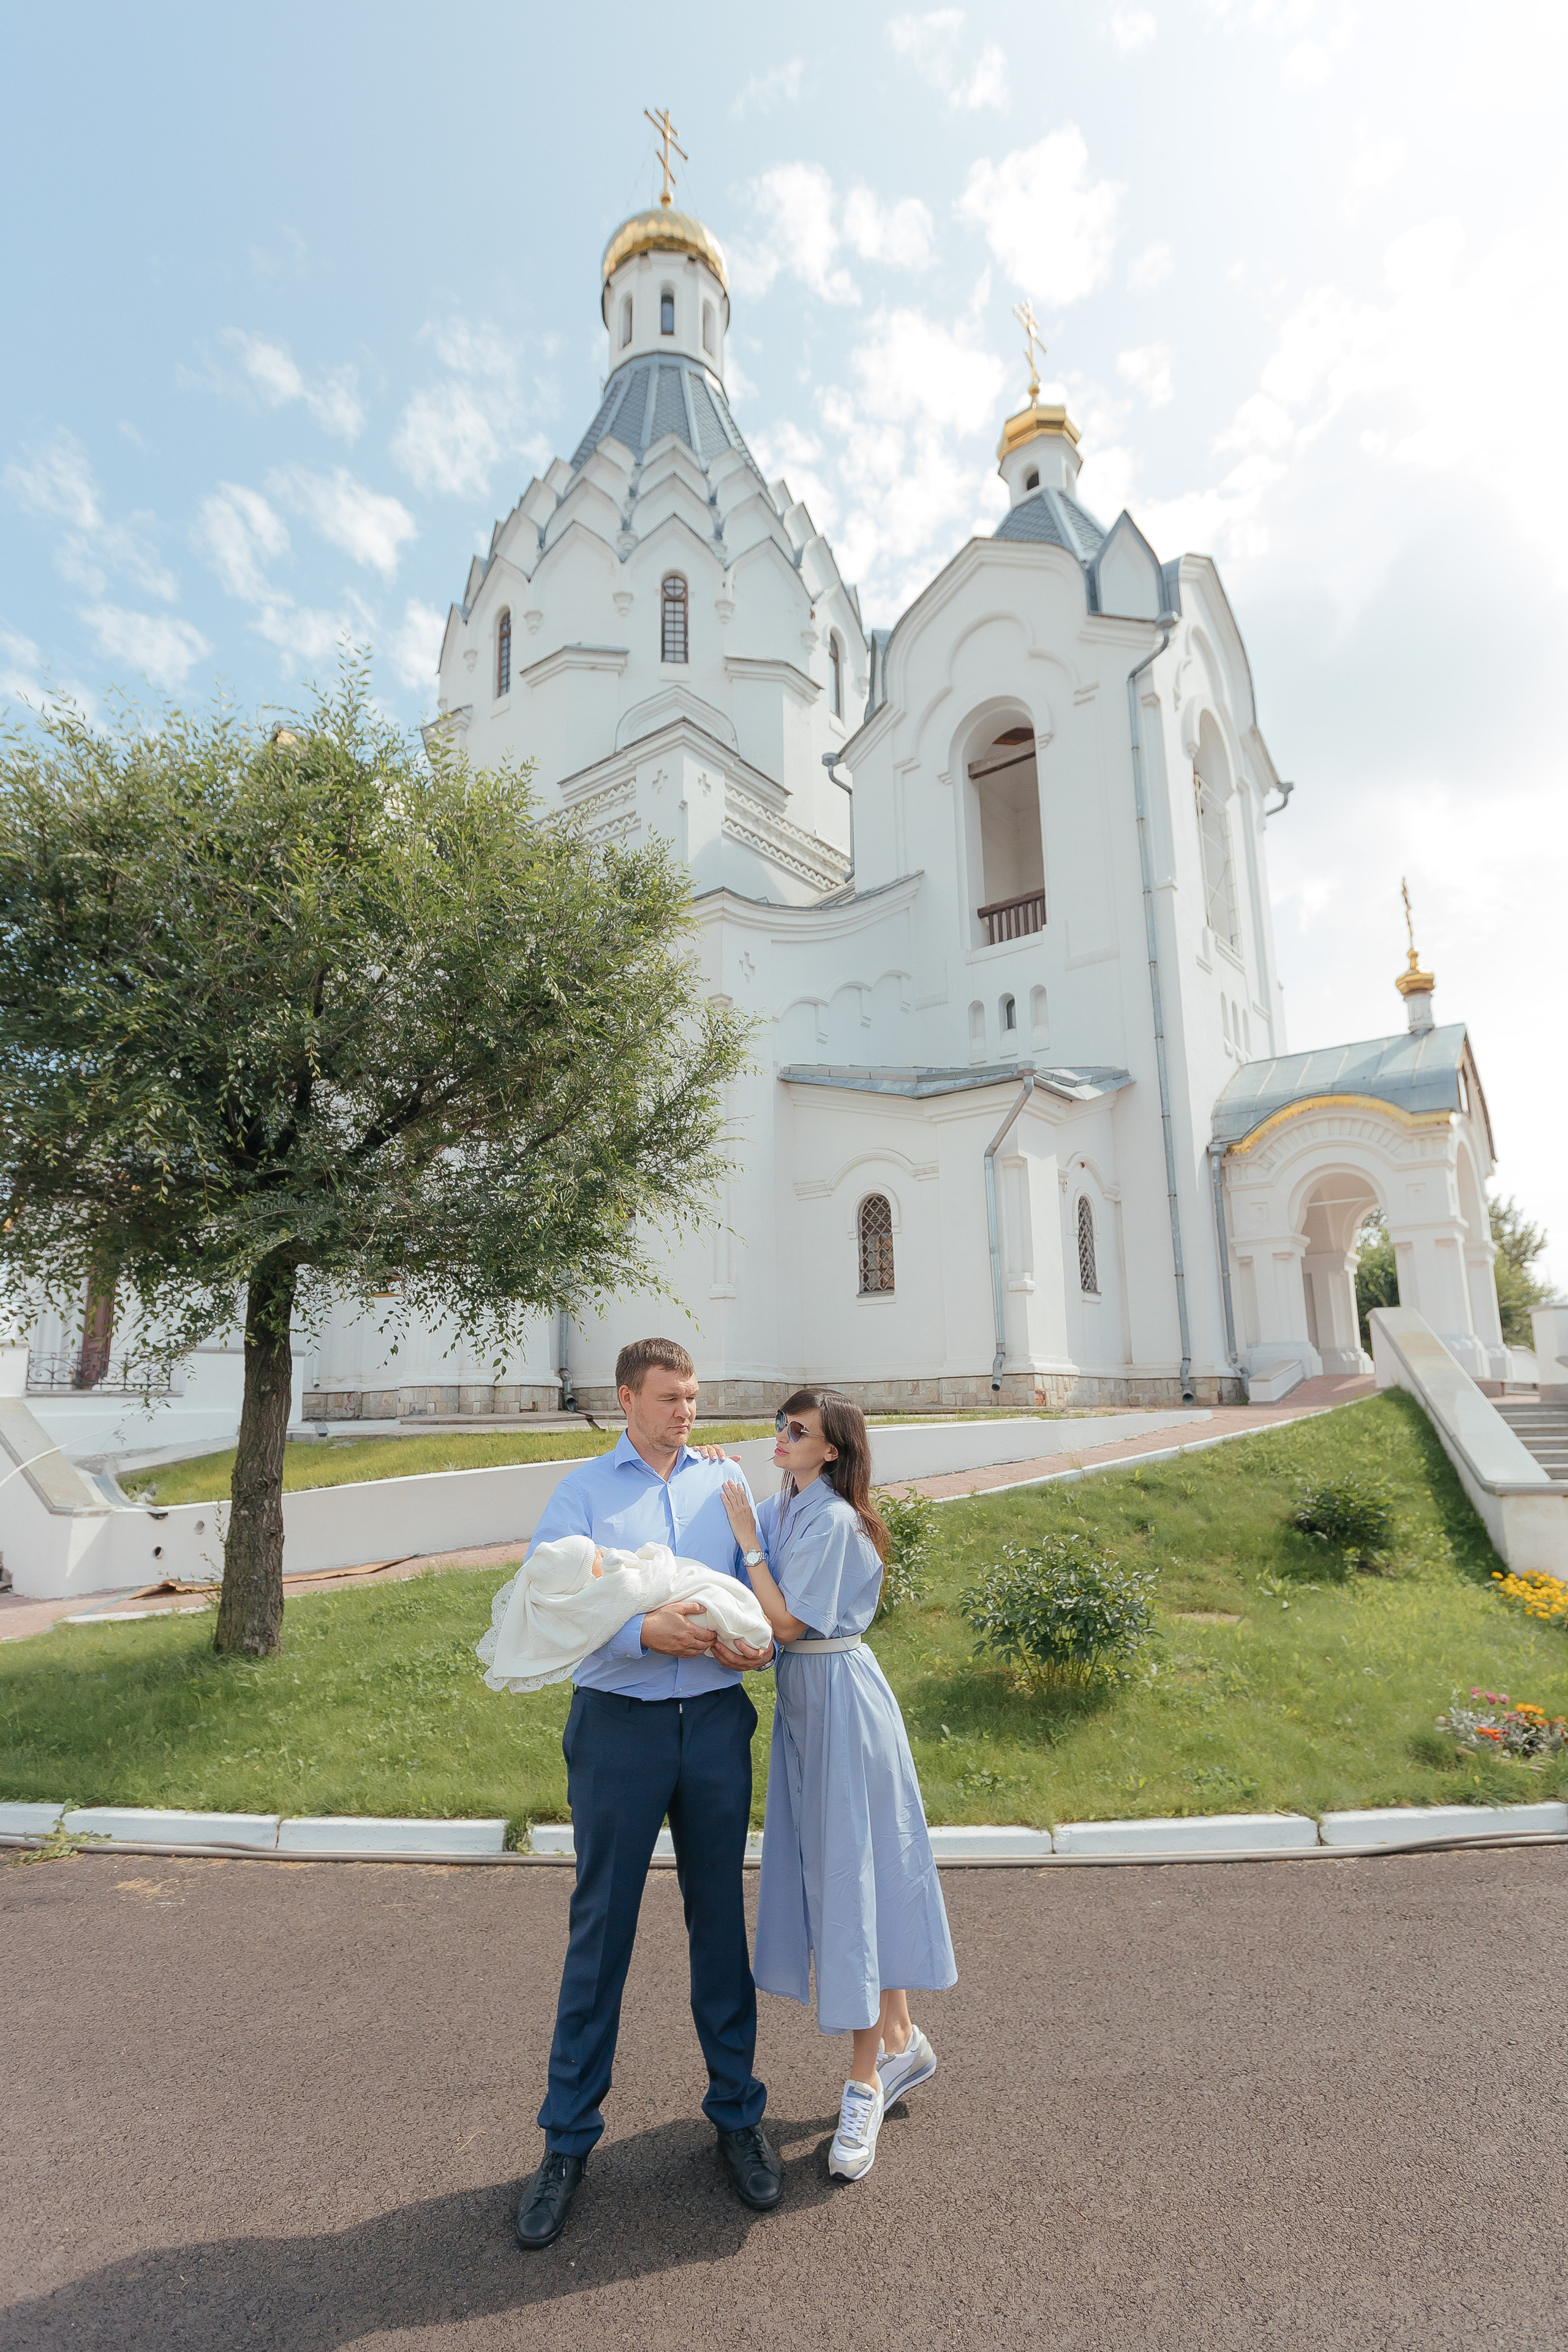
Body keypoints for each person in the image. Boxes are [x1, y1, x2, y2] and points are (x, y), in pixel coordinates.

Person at [511, 1338, 779, 2253]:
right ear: (627, 1399)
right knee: (601, 1932)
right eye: (669, 1398)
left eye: (693, 1397)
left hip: (714, 1726)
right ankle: (566, 2143)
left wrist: (754, 1645)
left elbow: (757, 1590)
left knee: (721, 1925)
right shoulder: (584, 1492)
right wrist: (639, 1633)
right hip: (617, 1732)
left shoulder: (725, 1483)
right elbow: (551, 1601)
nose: (685, 1413)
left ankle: (738, 2118)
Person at [718, 1390, 957, 2182]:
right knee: (851, 1874)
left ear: (832, 1450)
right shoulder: (785, 1507)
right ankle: (901, 2040)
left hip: (844, 1708)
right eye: (780, 1426)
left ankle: (865, 2083)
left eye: (799, 1431)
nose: (781, 1439)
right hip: (807, 1709)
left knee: (852, 1881)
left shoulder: (836, 1522)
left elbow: (787, 1624)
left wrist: (748, 1546)